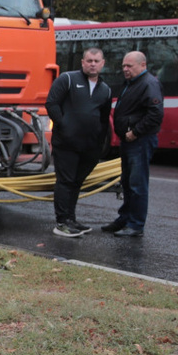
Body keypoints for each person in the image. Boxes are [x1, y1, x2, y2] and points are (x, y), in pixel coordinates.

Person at [46, 47, 111, 238]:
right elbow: (51, 103)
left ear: (102, 64)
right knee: (65, 181)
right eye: (89, 60)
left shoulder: (105, 89)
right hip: (66, 144)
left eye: (96, 61)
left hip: (90, 147)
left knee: (76, 182)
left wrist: (100, 145)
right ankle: (62, 222)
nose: (92, 64)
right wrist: (64, 125)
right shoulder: (67, 79)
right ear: (82, 62)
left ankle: (71, 219)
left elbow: (104, 118)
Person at [102, 51, 163, 238]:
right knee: (127, 182)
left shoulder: (148, 84)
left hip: (139, 140)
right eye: (123, 66)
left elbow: (155, 113)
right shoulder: (133, 83)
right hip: (129, 141)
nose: (125, 69)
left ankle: (136, 224)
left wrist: (136, 131)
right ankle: (125, 218)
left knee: (137, 184)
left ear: (143, 65)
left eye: (129, 66)